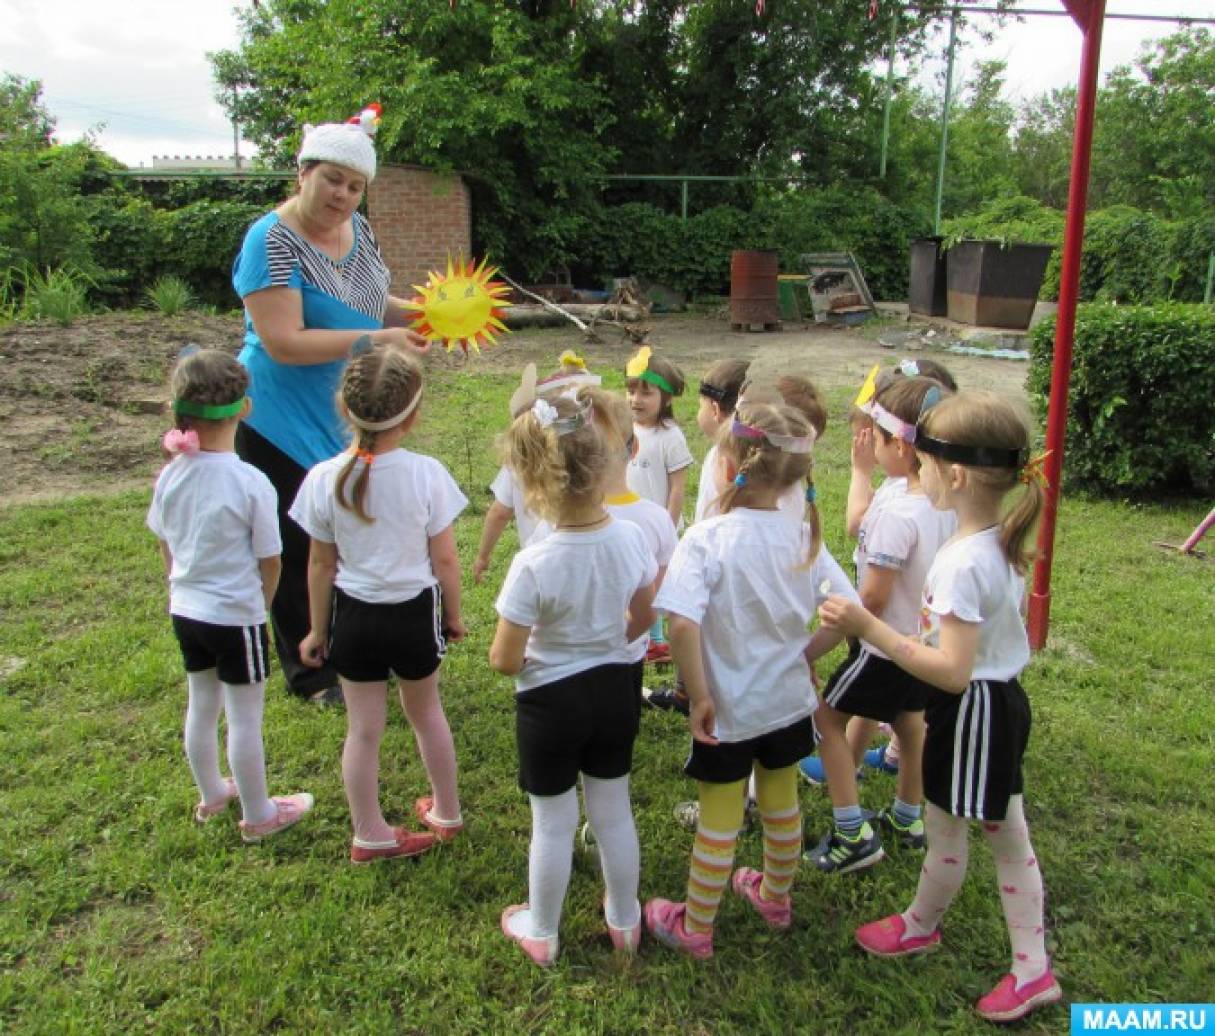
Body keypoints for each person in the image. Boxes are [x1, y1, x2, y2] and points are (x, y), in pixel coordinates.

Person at [819, 390, 1061, 1025]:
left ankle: (1025, 968)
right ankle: (924, 923)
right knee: (964, 825)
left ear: (952, 475)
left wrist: (872, 630)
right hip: (989, 704)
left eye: (921, 462)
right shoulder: (994, 539)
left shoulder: (962, 562)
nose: (916, 472)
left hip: (976, 709)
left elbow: (953, 672)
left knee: (995, 835)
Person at [643, 401, 858, 959]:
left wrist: (700, 694)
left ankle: (695, 927)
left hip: (729, 710)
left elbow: (683, 623)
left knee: (720, 815)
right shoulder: (803, 539)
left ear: (730, 460)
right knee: (782, 802)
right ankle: (774, 898)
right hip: (788, 704)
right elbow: (848, 608)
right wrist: (806, 654)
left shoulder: (708, 538)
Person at [231, 105, 429, 705]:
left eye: (355, 185)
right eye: (332, 179)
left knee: (344, 536)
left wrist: (424, 313)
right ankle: (311, 673)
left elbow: (369, 303)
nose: (342, 194)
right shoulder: (270, 240)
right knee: (297, 548)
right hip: (277, 417)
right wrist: (374, 341)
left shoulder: (359, 230)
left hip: (344, 411)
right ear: (303, 172)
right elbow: (284, 341)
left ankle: (352, 649)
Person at [490, 393, 658, 966]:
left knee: (553, 822)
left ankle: (542, 930)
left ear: (534, 482)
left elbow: (505, 659)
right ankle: (626, 921)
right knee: (613, 810)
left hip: (550, 703)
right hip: (616, 689)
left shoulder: (533, 563)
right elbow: (644, 615)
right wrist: (616, 637)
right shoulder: (633, 539)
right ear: (605, 465)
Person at [290, 348, 465, 863]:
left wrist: (316, 631)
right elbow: (446, 560)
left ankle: (369, 833)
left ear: (344, 409)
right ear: (412, 415)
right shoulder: (426, 473)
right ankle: (447, 813)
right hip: (413, 618)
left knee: (363, 730)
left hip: (353, 620)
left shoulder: (323, 476)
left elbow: (320, 565)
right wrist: (452, 617)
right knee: (426, 712)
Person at [146, 348, 314, 842]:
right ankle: (260, 814)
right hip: (234, 616)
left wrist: (178, 582)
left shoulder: (170, 473)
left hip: (186, 608)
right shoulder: (250, 481)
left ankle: (212, 794)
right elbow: (271, 557)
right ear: (244, 408)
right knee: (244, 716)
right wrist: (260, 603)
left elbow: (165, 542)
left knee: (201, 704)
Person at [804, 376, 956, 875]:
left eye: (878, 436)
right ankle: (908, 817)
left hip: (882, 647)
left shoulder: (900, 515)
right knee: (911, 723)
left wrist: (840, 624)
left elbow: (871, 596)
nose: (868, 441)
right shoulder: (940, 503)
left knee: (827, 719)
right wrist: (864, 470)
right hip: (921, 644)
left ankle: (852, 833)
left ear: (902, 445)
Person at [473, 352, 601, 585]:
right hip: (585, 554)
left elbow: (499, 512)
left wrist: (483, 555)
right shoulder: (584, 457)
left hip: (537, 563)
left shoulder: (515, 463)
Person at [625, 346, 693, 663]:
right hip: (628, 524)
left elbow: (678, 486)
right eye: (631, 390)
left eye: (646, 393)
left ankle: (656, 639)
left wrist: (668, 523)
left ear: (665, 399)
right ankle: (643, 635)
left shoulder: (671, 436)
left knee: (658, 581)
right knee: (635, 580)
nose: (636, 399)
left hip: (659, 524)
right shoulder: (625, 429)